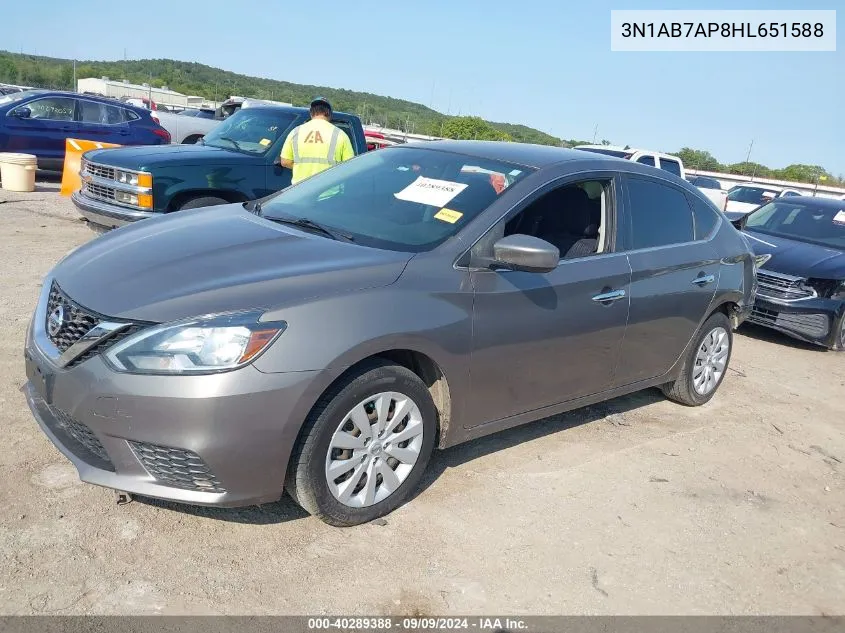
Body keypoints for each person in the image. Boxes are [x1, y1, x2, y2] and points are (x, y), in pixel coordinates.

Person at [280, 97, 355, 184]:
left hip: (300, 190)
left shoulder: (296, 131)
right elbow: (349, 166)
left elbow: (285, 162)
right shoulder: (340, 135)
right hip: (328, 191)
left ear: (311, 113)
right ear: (329, 113)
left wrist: (302, 168)